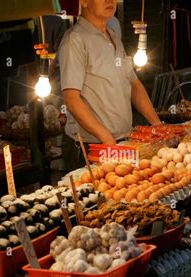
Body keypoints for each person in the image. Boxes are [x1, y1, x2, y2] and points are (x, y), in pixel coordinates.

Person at [58, 0, 161, 170]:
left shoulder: (113, 37)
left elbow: (134, 85)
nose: (110, 1)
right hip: (91, 147)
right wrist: (107, 139)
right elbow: (72, 100)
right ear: (84, 1)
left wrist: (158, 127)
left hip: (121, 142)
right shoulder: (75, 40)